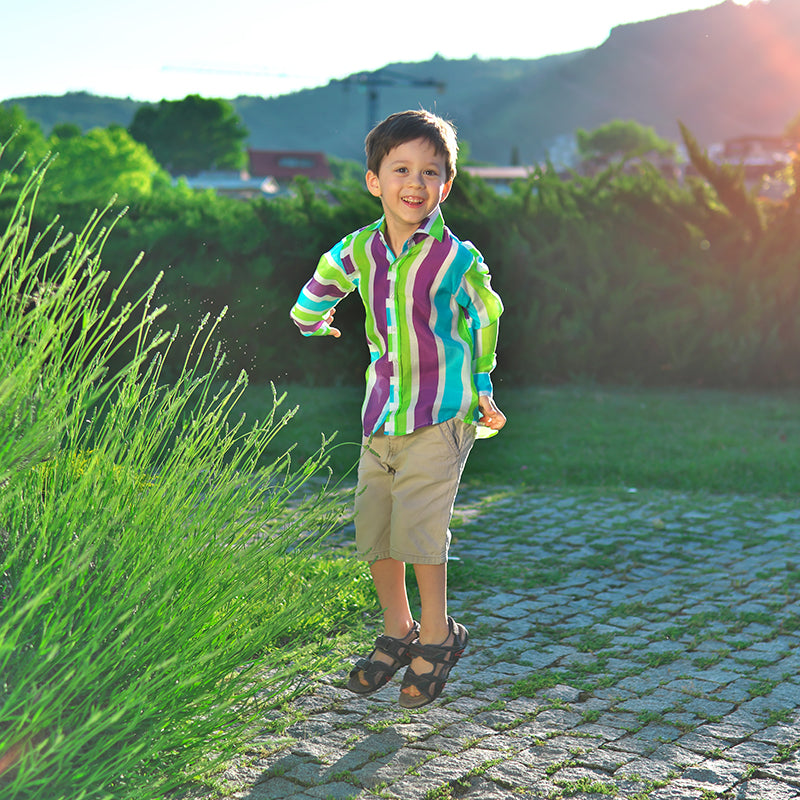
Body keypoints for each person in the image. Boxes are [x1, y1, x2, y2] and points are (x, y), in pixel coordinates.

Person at [290, 109, 505, 708]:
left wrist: (483, 384)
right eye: (402, 168)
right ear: (374, 181)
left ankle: (437, 636)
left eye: (430, 171)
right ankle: (397, 629)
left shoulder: (458, 259)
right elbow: (317, 290)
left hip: (442, 413)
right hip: (380, 415)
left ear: (447, 185)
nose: (416, 182)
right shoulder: (358, 249)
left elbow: (485, 316)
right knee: (376, 531)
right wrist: (312, 322)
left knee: (419, 532)